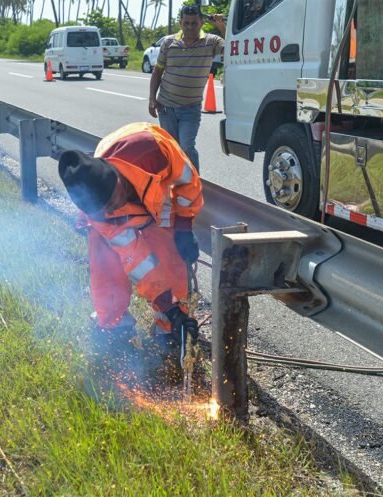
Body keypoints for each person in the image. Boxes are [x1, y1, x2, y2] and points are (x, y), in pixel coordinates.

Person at [58, 122, 203, 388]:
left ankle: (170, 331)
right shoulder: (101, 215)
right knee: (107, 268)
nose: (113, 211)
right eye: (105, 210)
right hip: (128, 198)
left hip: (153, 185)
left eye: (113, 203)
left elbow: (188, 182)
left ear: (115, 180)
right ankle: (114, 325)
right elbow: (136, 261)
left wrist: (184, 224)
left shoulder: (152, 152)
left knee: (170, 258)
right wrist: (168, 306)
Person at [148, 4, 226, 171]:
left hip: (190, 108)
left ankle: (194, 186)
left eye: (194, 23)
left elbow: (232, 51)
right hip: (166, 108)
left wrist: (221, 27)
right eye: (186, 23)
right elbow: (157, 72)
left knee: (187, 147)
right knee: (172, 149)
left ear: (202, 23)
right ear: (180, 23)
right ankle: (175, 186)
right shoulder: (169, 43)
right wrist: (151, 98)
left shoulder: (212, 42)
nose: (190, 27)